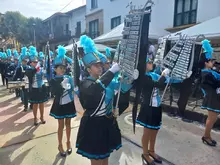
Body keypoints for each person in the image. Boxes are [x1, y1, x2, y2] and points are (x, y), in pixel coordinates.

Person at [76, 35, 131, 165]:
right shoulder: (85, 83)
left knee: (105, 158)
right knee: (96, 160)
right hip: (93, 126)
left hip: (107, 124)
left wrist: (129, 78)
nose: (100, 67)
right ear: (88, 70)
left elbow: (122, 88)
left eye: (100, 65)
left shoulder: (108, 82)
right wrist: (111, 72)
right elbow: (95, 89)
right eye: (96, 66)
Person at [50, 46, 77, 157]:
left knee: (68, 124)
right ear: (55, 69)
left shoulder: (69, 77)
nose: (62, 70)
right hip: (59, 105)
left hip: (69, 103)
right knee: (61, 125)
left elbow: (73, 89)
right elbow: (54, 93)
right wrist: (61, 85)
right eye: (60, 68)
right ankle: (60, 144)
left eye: (63, 68)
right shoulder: (53, 79)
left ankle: (68, 142)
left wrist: (73, 86)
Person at [199, 39, 220, 147]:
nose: (213, 62)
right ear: (206, 62)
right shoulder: (206, 74)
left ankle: (208, 136)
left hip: (214, 98)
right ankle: (206, 136)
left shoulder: (210, 72)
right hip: (212, 98)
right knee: (211, 119)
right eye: (211, 61)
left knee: (213, 118)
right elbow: (217, 83)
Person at [25, 46, 48, 125]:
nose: (35, 63)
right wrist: (36, 69)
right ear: (30, 63)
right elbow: (30, 74)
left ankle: (42, 117)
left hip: (41, 88)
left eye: (36, 62)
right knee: (35, 104)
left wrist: (46, 70)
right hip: (34, 89)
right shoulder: (28, 69)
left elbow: (45, 75)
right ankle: (35, 118)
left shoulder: (40, 68)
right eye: (34, 62)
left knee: (41, 104)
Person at [13, 47, 32, 111]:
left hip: (29, 83)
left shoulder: (30, 68)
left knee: (30, 94)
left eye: (26, 61)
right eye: (24, 61)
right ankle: (26, 106)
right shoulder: (19, 68)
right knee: (25, 95)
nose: (25, 62)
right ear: (22, 61)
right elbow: (16, 76)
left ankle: (31, 105)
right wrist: (14, 81)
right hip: (23, 83)